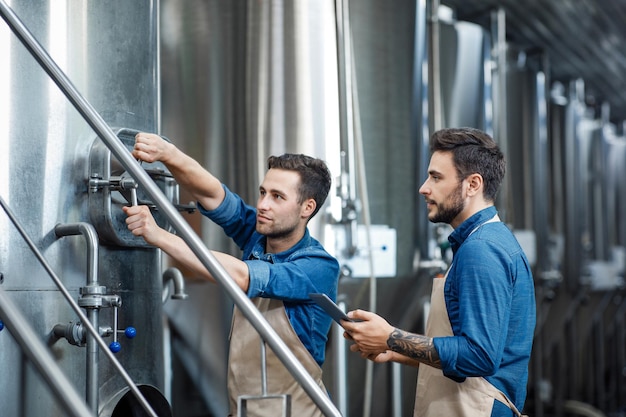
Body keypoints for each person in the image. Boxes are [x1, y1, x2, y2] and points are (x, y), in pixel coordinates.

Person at [122, 132, 340, 417]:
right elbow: (213, 194)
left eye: (277, 197)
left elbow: (242, 276)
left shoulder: (318, 266)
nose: (263, 204)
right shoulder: (259, 237)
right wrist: (168, 153)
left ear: (307, 208)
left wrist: (158, 235)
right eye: (263, 192)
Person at [342, 127, 536, 417]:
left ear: (473, 184)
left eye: (436, 177)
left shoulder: (481, 249)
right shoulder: (483, 241)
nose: (424, 187)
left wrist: (391, 337)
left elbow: (480, 356)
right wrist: (400, 351)